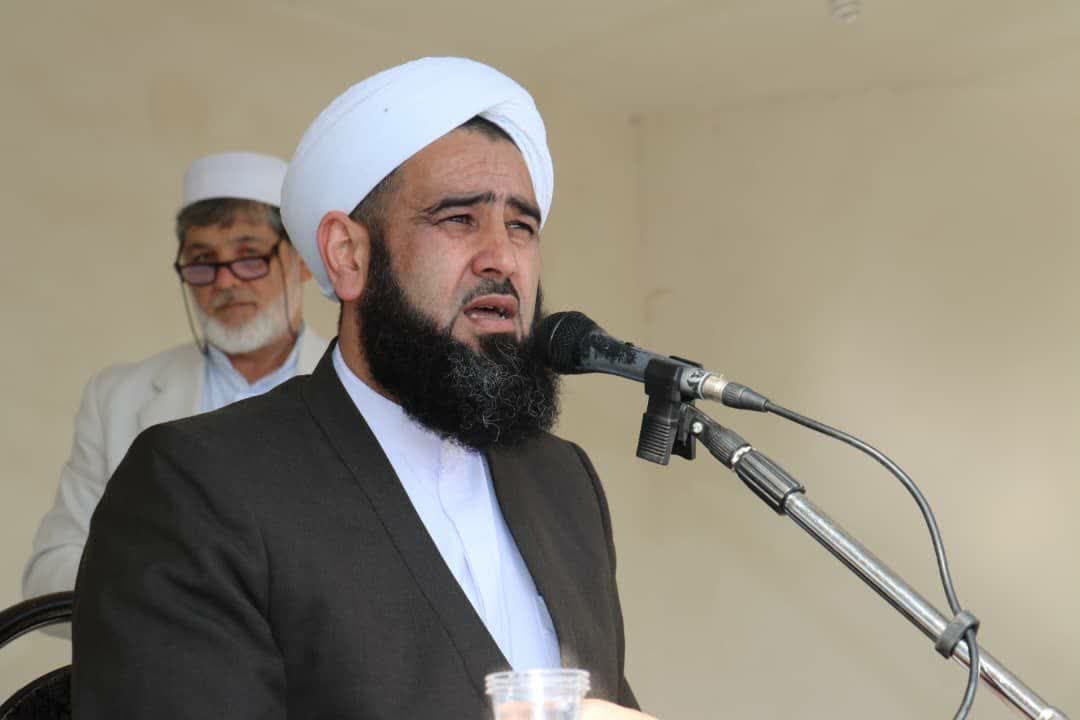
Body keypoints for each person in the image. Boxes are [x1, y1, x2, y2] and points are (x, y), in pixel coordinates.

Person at [73, 58, 652, 720]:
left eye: (521, 226)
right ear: (348, 255)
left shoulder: (562, 480)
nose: (502, 257)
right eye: (459, 219)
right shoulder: (199, 484)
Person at [23, 151, 328, 600]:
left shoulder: (359, 388)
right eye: (203, 260)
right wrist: (163, 580)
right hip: (163, 640)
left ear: (302, 261)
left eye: (249, 257)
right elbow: (48, 573)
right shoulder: (119, 398)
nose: (225, 282)